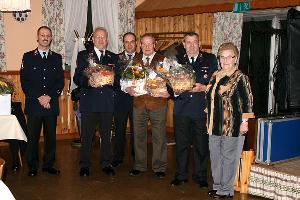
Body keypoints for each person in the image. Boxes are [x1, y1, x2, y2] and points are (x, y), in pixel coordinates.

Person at [206, 42, 254, 198]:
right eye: (222, 57)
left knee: (228, 158)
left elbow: (247, 102)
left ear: (235, 58)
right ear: (219, 59)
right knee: (215, 157)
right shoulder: (215, 75)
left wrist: (245, 122)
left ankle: (226, 190)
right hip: (213, 124)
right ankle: (218, 186)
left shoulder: (240, 77)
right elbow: (210, 98)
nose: (225, 60)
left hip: (231, 125)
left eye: (229, 57)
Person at [171, 32, 218, 187]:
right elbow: (168, 84)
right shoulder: (176, 61)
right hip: (182, 109)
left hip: (200, 110)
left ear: (199, 43)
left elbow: (216, 83)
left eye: (194, 42)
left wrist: (204, 87)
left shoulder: (210, 59)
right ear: (183, 44)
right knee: (181, 144)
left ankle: (201, 176)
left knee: (201, 145)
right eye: (188, 42)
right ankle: (181, 175)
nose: (191, 45)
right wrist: (176, 89)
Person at [73, 27, 118, 177]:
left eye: (103, 37)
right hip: (89, 102)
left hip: (106, 103)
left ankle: (106, 163)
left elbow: (117, 81)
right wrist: (88, 81)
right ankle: (84, 165)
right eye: (97, 37)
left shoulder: (113, 57)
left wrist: (113, 80)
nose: (100, 40)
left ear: (107, 40)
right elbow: (77, 78)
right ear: (93, 39)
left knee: (106, 137)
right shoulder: (83, 55)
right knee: (86, 137)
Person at [20, 26, 64, 177]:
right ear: (37, 37)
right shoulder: (28, 57)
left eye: (48, 35)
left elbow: (59, 82)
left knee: (50, 137)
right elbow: (25, 82)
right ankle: (32, 166)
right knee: (32, 137)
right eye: (42, 35)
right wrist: (39, 96)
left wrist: (49, 96)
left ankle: (48, 165)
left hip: (51, 104)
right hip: (34, 103)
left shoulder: (57, 57)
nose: (45, 37)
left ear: (51, 38)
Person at [125, 33, 170, 179]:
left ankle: (159, 167)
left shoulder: (163, 60)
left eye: (150, 44)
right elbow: (126, 80)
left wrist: (166, 92)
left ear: (154, 44)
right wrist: (128, 88)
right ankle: (139, 165)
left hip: (158, 104)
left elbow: (169, 81)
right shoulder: (135, 60)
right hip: (139, 104)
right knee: (138, 136)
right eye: (144, 44)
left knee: (159, 137)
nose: (147, 47)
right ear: (140, 45)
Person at [111, 32, 137, 167]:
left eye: (132, 41)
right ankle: (118, 156)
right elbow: (113, 80)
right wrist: (124, 87)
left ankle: (137, 155)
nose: (129, 44)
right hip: (121, 100)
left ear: (136, 43)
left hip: (138, 100)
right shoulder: (116, 58)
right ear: (123, 43)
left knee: (137, 129)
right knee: (119, 129)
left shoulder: (142, 58)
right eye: (126, 42)